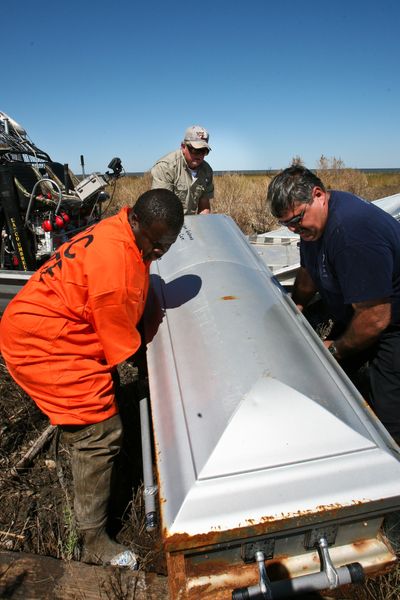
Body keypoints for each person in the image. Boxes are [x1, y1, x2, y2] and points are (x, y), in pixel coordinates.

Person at [0, 189, 184, 569]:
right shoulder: (115, 270)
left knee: (105, 395)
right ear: (136, 220)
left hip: (48, 322)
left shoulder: (121, 230)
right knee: (100, 431)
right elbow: (126, 350)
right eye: (154, 244)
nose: (158, 254)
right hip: (43, 342)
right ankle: (92, 540)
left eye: (166, 246)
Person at [267, 165, 400, 445]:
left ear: (318, 195)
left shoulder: (352, 234)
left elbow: (376, 318)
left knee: (390, 416)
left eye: (297, 220)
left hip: (390, 325)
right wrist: (297, 307)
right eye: (286, 225)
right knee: (340, 385)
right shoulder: (313, 227)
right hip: (360, 313)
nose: (294, 230)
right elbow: (309, 270)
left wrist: (336, 350)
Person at [150, 125, 214, 215]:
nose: (199, 155)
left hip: (190, 224)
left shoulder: (207, 171)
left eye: (203, 151)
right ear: (183, 147)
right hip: (167, 222)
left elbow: (204, 207)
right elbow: (161, 207)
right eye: (195, 150)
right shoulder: (166, 167)